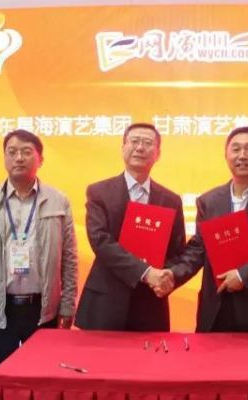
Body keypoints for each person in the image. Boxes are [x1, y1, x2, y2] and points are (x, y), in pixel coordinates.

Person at [0, 129, 78, 400]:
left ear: (40, 159)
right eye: (12, 152)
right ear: (4, 158)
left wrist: (67, 306)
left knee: (45, 386)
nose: (19, 158)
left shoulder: (58, 201)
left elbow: (70, 259)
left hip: (43, 312)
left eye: (27, 152)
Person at [165, 126, 248, 332]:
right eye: (236, 149)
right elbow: (197, 250)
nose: (242, 155)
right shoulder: (209, 201)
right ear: (226, 156)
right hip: (217, 310)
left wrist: (244, 275)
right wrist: (172, 275)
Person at [74, 122, 186, 331]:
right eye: (134, 141)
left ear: (158, 153)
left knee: (149, 354)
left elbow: (177, 250)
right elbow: (100, 241)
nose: (140, 147)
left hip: (150, 302)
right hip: (106, 301)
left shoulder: (171, 200)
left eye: (147, 143)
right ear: (123, 148)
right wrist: (146, 272)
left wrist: (165, 277)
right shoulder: (99, 192)